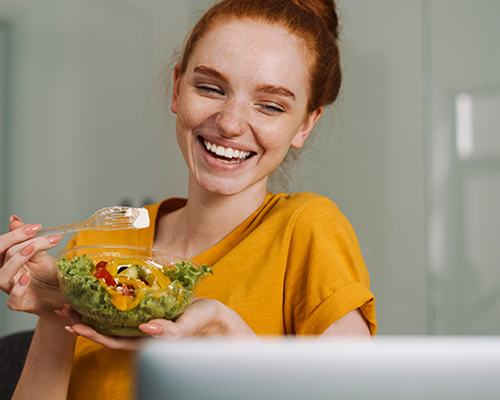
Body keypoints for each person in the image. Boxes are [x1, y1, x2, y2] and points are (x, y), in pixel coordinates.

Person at [0, 0, 377, 398]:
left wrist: (223, 330)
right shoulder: (96, 254)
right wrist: (54, 312)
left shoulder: (308, 230)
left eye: (270, 106)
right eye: (211, 88)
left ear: (305, 124)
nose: (230, 123)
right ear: (177, 88)